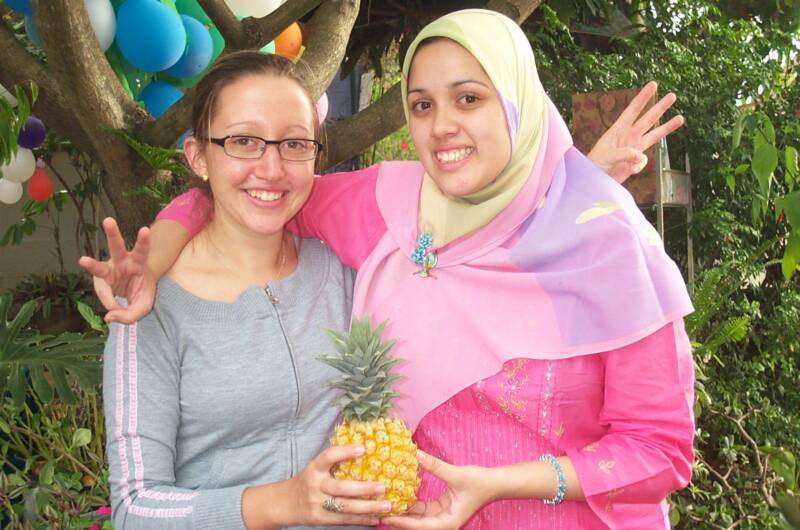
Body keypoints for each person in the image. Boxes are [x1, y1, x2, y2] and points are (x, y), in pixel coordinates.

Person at [81, 10, 692, 529]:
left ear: (519, 105)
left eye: (470, 98)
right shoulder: (386, 207)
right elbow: (250, 193)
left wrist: (577, 189)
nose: (442, 125)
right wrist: (153, 260)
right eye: (421, 104)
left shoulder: (610, 248)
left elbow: (661, 452)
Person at [99, 51, 393, 529]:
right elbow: (135, 509)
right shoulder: (149, 305)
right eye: (244, 141)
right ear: (199, 157)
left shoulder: (342, 268)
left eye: (294, 144)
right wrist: (285, 502)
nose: (272, 168)